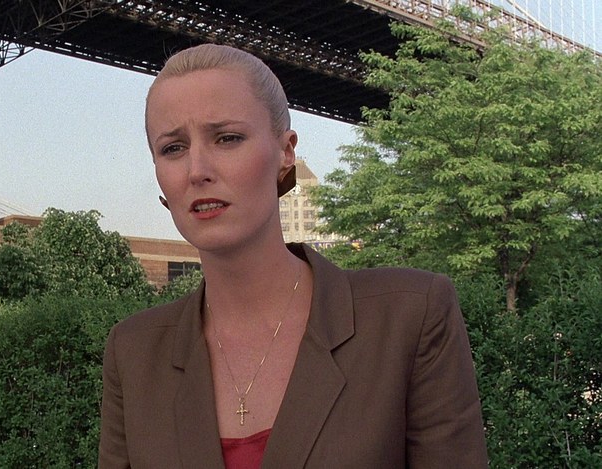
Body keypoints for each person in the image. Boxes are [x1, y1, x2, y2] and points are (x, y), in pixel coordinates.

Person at [98, 43, 488, 468]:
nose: (197, 170)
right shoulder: (133, 352)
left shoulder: (409, 316)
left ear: (286, 152)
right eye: (173, 148)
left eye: (227, 138)